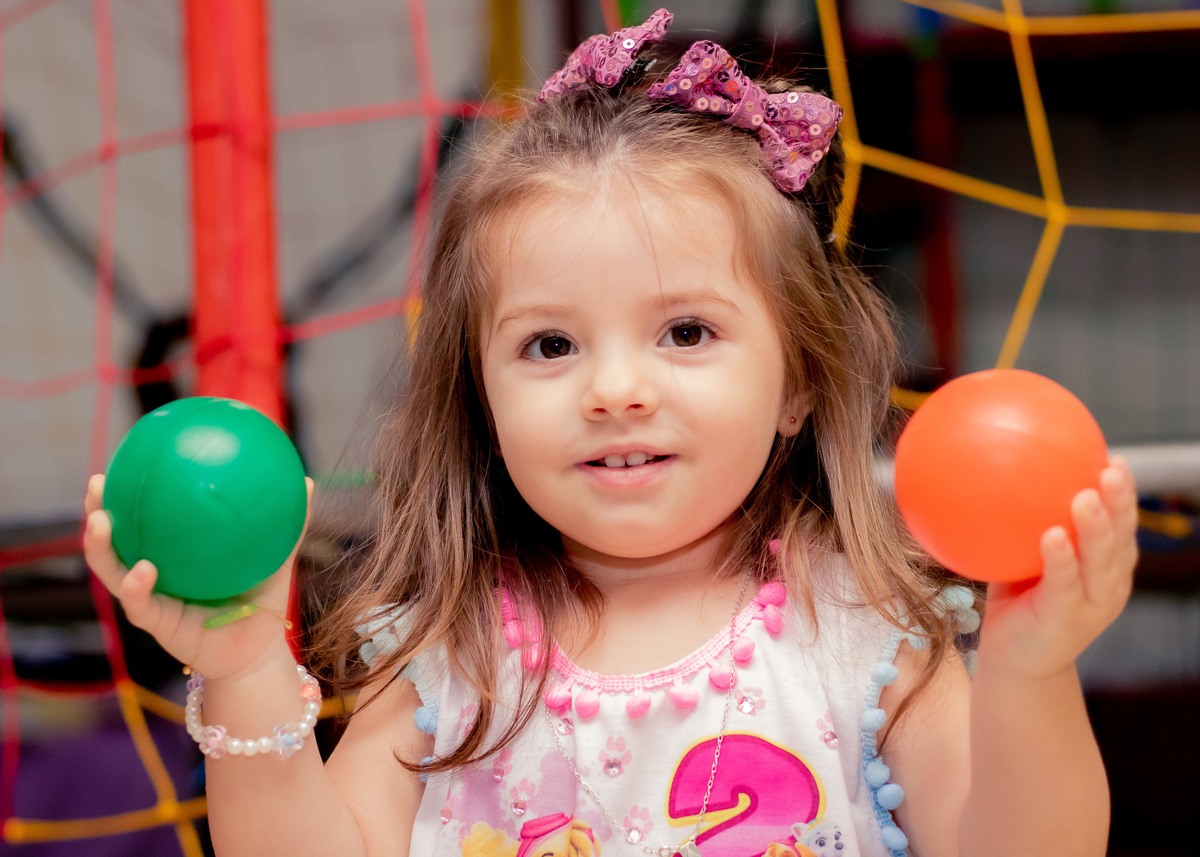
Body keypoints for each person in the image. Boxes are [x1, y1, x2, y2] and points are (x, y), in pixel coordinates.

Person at [82, 9, 1137, 857]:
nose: (616, 390)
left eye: (686, 331)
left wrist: (1030, 671)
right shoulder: (452, 661)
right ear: (480, 399)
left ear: (799, 381)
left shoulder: (866, 638)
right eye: (550, 345)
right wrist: (246, 675)